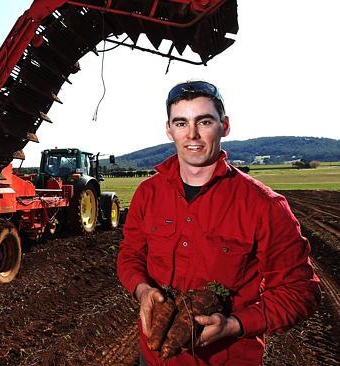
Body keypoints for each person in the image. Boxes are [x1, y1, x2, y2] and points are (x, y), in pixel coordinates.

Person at [117, 80, 320, 365]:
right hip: (153, 356)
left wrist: (234, 324)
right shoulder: (148, 194)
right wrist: (142, 289)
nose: (192, 135)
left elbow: (300, 291)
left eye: (205, 121)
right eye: (181, 123)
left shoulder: (264, 206)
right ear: (168, 130)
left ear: (224, 126)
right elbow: (130, 253)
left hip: (228, 359)